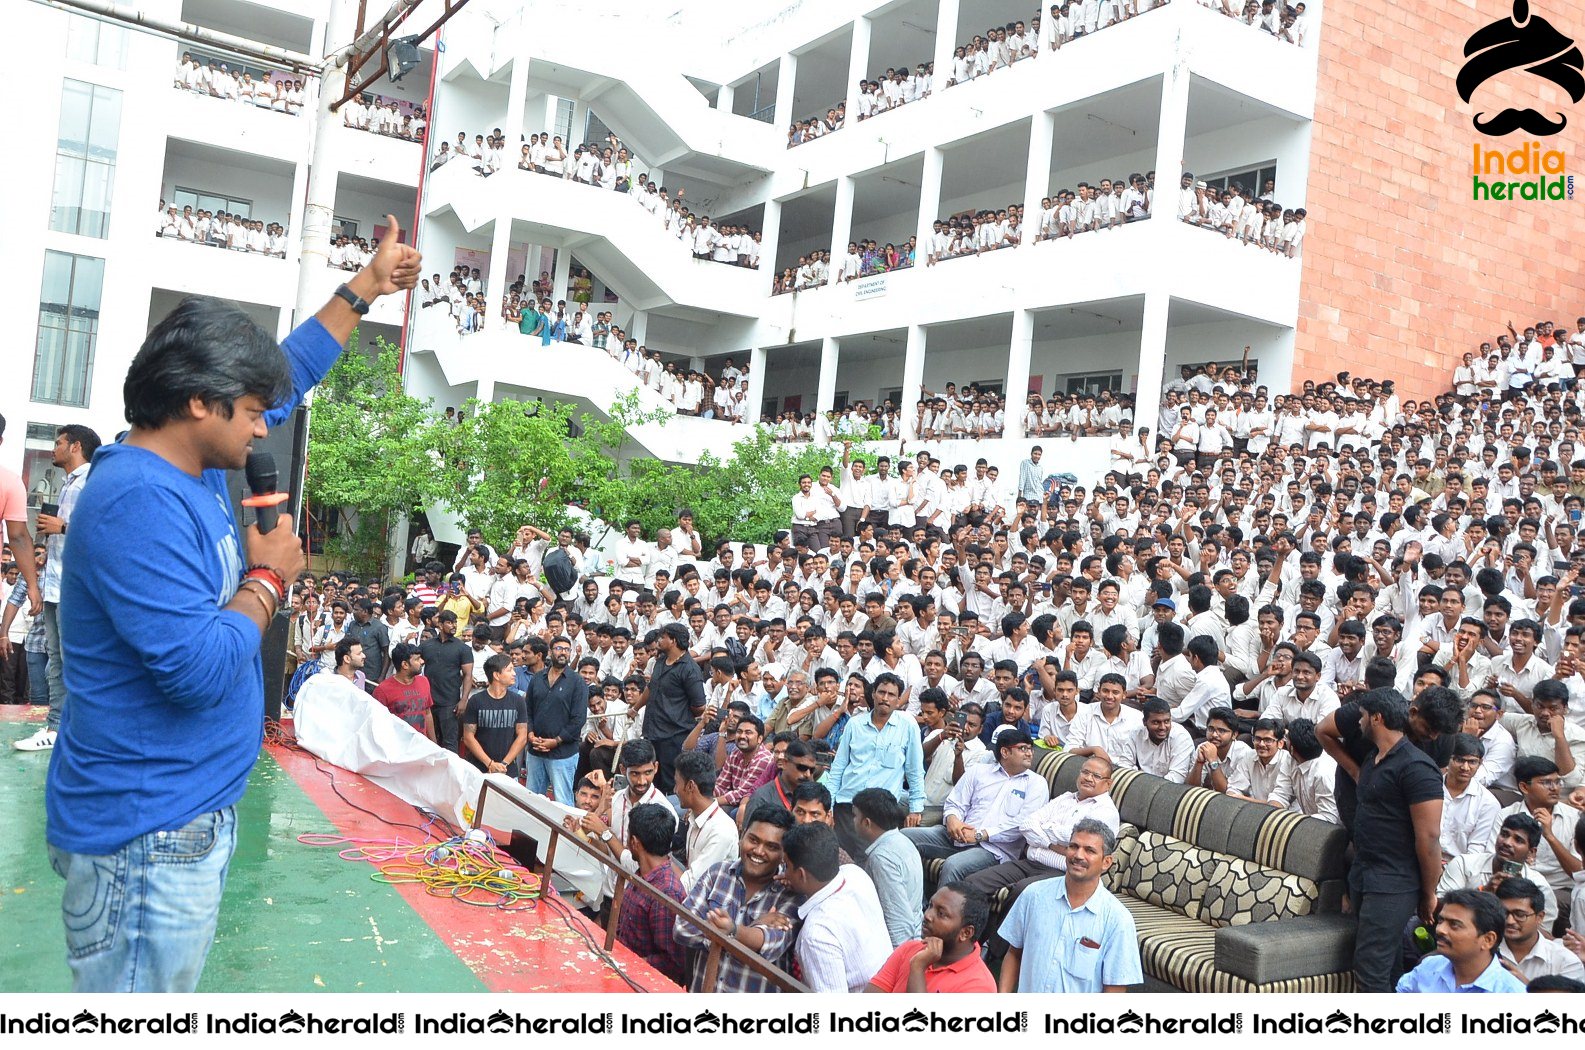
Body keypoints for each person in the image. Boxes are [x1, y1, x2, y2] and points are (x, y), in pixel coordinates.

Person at [46, 216, 419, 991]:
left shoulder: (194, 462)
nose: (263, 428)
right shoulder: (136, 501)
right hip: (147, 833)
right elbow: (195, 671)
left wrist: (365, 288)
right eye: (250, 413)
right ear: (197, 404)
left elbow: (291, 373)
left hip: (181, 814)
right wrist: (269, 579)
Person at [1349, 688, 1447, 992]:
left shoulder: (1417, 768)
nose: (1359, 723)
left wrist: (1429, 892)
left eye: (1364, 716)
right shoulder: (1372, 758)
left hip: (1394, 882)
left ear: (1377, 718)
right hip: (1365, 875)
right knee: (1387, 963)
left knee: (1369, 970)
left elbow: (1429, 838)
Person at [15, 424, 99, 752]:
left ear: (75, 446)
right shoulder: (68, 484)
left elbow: (103, 528)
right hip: (56, 585)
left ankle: (80, 729)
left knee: (72, 659)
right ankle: (56, 726)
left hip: (74, 588)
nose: (54, 448)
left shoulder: (90, 482)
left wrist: (62, 526)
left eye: (59, 442)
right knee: (56, 659)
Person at [996, 818, 1142, 992]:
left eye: (1089, 850)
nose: (1078, 855)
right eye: (1073, 846)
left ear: (1106, 862)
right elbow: (1014, 954)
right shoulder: (1033, 895)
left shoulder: (1118, 919)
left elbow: (1115, 989)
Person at [673, 807, 801, 992]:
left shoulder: (790, 894)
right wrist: (741, 932)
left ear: (784, 854)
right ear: (742, 835)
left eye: (771, 847)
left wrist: (729, 932)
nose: (758, 851)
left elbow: (771, 944)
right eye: (753, 840)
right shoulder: (716, 874)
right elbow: (682, 928)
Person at [782, 822, 892, 992]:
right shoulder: (856, 874)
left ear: (802, 874)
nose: (784, 873)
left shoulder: (817, 934)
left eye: (787, 866)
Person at [826, 672, 927, 855]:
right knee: (842, 861)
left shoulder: (908, 725)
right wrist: (829, 805)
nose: (885, 698)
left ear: (898, 700)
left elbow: (914, 770)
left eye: (891, 695)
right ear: (873, 694)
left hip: (880, 811)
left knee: (872, 861)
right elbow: (838, 767)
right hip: (847, 806)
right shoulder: (855, 724)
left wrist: (915, 808)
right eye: (881, 692)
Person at [864, 882, 997, 993]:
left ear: (966, 933)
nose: (927, 915)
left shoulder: (979, 986)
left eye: (941, 913)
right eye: (930, 906)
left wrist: (917, 968)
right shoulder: (910, 948)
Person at [612, 802, 687, 985]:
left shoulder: (666, 893)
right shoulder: (642, 876)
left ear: (635, 843)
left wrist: (629, 965)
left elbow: (672, 963)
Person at [1395, 889, 1527, 993]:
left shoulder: (1510, 993)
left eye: (1454, 925)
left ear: (1488, 940)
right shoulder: (1429, 967)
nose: (1440, 929)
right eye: (1441, 921)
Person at [635, 622, 706, 794]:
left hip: (674, 735)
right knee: (653, 781)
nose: (659, 640)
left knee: (670, 782)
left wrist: (677, 713)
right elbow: (651, 687)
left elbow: (699, 706)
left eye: (663, 637)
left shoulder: (690, 669)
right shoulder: (660, 661)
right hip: (653, 732)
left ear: (673, 640)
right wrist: (635, 708)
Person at [851, 786, 923, 948]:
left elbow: (898, 920)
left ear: (867, 823)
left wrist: (899, 964)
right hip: (913, 938)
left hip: (899, 948)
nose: (853, 821)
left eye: (855, 816)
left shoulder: (882, 858)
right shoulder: (903, 840)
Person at [522, 635, 588, 801]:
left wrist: (556, 740)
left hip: (562, 753)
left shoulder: (577, 682)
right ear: (550, 652)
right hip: (536, 749)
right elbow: (527, 710)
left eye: (567, 649)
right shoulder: (537, 678)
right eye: (559, 648)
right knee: (532, 799)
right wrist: (530, 734)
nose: (563, 653)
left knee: (563, 800)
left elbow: (579, 719)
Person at [1495, 876, 1585, 982]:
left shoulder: (1565, 961)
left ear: (1540, 917)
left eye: (1519, 915)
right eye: (1504, 913)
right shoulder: (1483, 951)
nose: (1510, 921)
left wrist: (1525, 988)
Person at [674, 750, 738, 892]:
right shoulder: (694, 817)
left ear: (690, 786)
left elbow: (691, 886)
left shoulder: (721, 831)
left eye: (677, 783)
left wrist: (658, 857)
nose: (675, 790)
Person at [462, 653, 528, 777]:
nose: (514, 674)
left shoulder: (518, 701)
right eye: (509, 670)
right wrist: (490, 763)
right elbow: (468, 737)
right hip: (479, 769)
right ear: (496, 675)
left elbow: (522, 736)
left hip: (508, 769)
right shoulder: (476, 701)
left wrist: (504, 763)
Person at [420, 609, 473, 752]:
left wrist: (464, 700)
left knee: (450, 743)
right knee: (428, 742)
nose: (453, 625)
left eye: (455, 622)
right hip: (428, 702)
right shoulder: (426, 646)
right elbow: (415, 667)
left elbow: (468, 675)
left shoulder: (462, 648)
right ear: (440, 625)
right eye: (449, 622)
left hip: (450, 703)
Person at [372, 642, 435, 739]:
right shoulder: (382, 690)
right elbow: (377, 723)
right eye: (417, 659)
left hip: (421, 745)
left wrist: (433, 743)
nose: (422, 661)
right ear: (405, 665)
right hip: (398, 747)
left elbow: (427, 713)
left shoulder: (424, 681)